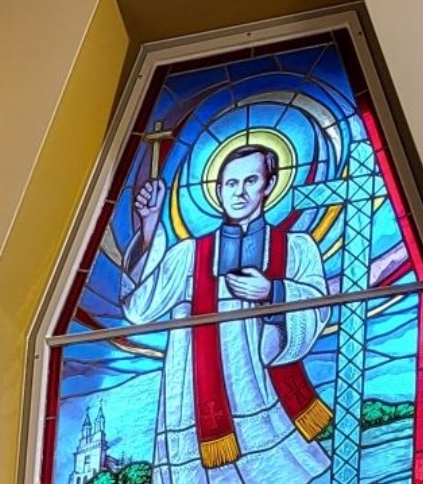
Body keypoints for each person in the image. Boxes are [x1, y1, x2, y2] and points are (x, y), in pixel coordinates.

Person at [120, 145, 331, 483]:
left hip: (263, 394)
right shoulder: (188, 255)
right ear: (217, 190)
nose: (239, 192)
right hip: (196, 398)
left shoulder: (296, 248)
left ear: (269, 184)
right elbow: (139, 309)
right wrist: (148, 227)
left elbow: (319, 306)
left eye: (251, 181)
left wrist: (274, 292)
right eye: (231, 183)